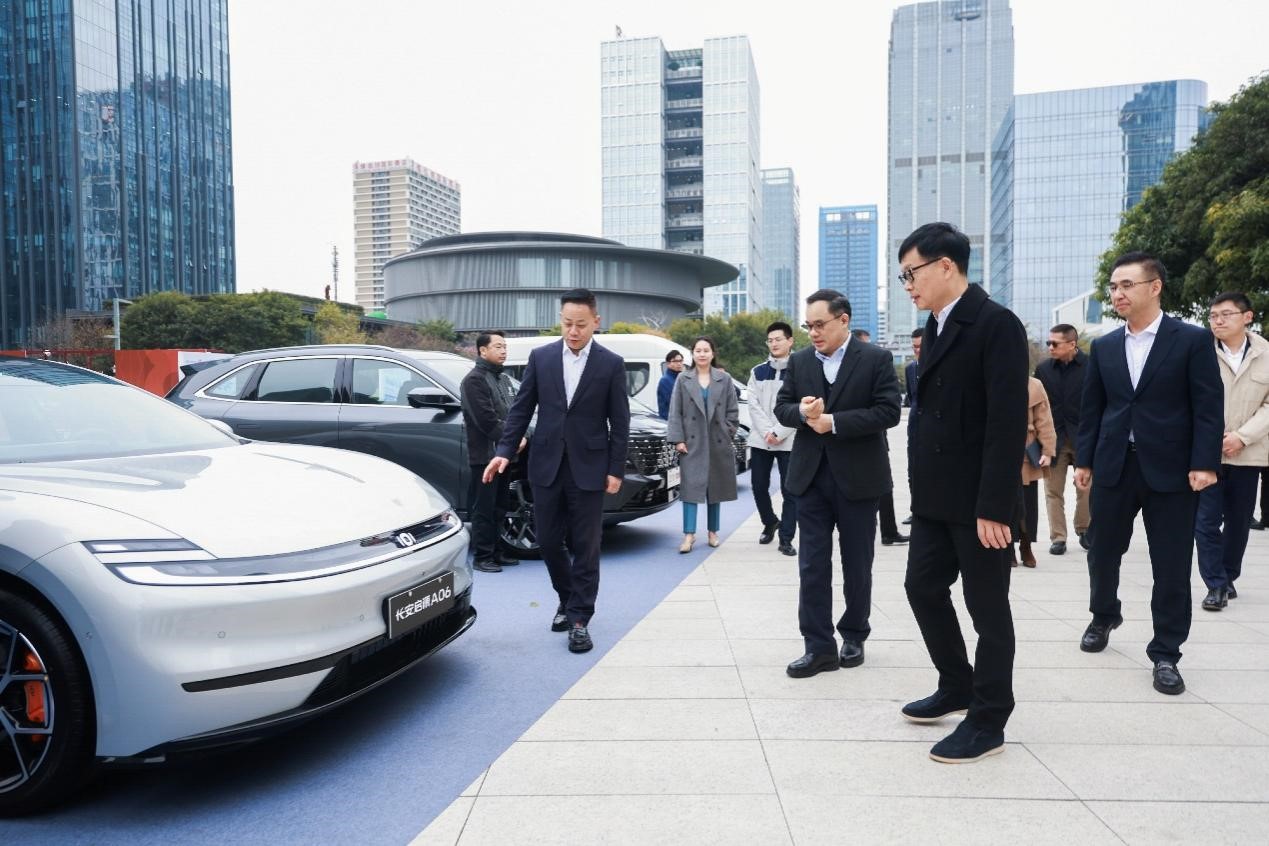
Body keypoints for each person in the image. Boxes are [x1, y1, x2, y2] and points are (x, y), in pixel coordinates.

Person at [898, 222, 1028, 764]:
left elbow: (1006, 421)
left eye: (912, 273)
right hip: (935, 500)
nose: (908, 285)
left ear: (946, 265)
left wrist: (995, 506)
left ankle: (989, 717)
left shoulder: (996, 324)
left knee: (987, 608)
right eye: (904, 277)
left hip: (979, 503)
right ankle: (956, 682)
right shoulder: (936, 324)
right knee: (922, 587)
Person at [1074, 251, 1222, 696]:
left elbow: (1208, 406)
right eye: (1113, 287)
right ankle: (1103, 615)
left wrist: (1204, 463)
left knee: (1171, 564)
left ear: (1154, 287)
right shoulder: (1104, 346)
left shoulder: (1191, 340)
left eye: (1127, 285)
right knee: (1102, 551)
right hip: (1115, 465)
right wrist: (1084, 461)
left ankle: (1166, 653)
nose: (1117, 294)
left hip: (1173, 471)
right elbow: (1092, 409)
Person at [483, 288, 631, 654]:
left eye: (581, 324)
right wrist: (504, 451)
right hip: (546, 465)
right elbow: (521, 409)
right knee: (548, 542)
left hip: (590, 468)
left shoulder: (611, 364)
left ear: (596, 322)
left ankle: (579, 619)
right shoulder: (542, 357)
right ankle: (567, 598)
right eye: (567, 324)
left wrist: (615, 469)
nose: (573, 331)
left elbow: (620, 422)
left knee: (586, 546)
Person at [774, 290, 900, 678]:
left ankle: (854, 634)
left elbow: (889, 411)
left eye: (820, 325)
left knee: (857, 564)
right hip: (810, 478)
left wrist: (836, 422)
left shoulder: (876, 359)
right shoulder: (799, 361)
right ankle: (818, 647)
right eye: (808, 326)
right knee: (812, 565)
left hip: (859, 479)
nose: (813, 332)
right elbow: (782, 407)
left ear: (843, 320)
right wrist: (801, 412)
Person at [1195, 292, 1269, 610]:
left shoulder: (1266, 354)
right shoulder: (1198, 351)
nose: (1218, 321)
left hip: (1248, 453)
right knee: (1206, 522)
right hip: (1206, 453)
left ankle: (1228, 576)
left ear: (1247, 317)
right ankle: (1215, 584)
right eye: (1213, 316)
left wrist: (1242, 436)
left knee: (1239, 522)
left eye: (1226, 314)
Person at [667, 336, 740, 553]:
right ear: (692, 353)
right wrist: (678, 439)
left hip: (718, 441)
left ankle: (713, 532)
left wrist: (727, 431)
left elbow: (733, 411)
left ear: (712, 353)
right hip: (692, 442)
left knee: (715, 488)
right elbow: (675, 411)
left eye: (706, 350)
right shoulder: (683, 378)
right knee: (690, 489)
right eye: (698, 350)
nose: (702, 354)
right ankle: (689, 535)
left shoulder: (724, 378)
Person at [460, 330, 523, 573]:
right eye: (498, 346)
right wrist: (514, 439)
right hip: (485, 457)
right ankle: (483, 556)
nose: (503, 350)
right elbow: (486, 421)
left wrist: (519, 438)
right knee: (483, 509)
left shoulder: (503, 379)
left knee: (500, 506)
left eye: (504, 346)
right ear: (483, 351)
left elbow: (516, 414)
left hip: (505, 456)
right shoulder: (474, 380)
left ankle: (497, 551)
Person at [1035, 324, 1090, 555]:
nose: (1050, 347)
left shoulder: (1092, 367)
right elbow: (1038, 405)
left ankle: (1084, 530)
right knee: (1052, 492)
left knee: (1086, 489)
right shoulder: (1043, 370)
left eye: (1055, 343)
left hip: (1084, 438)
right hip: (1053, 440)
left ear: (1072, 344)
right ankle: (1058, 538)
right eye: (1048, 343)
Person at [747, 321, 798, 556]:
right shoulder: (757, 371)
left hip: (789, 439)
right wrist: (768, 431)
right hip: (761, 439)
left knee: (790, 491)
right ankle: (769, 522)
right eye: (770, 340)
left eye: (778, 339)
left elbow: (799, 406)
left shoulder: (800, 369)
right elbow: (753, 404)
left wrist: (778, 432)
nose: (774, 343)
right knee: (758, 486)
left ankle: (786, 538)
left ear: (790, 341)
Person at [854, 328, 908, 546]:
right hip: (855, 441)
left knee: (885, 487)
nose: (871, 347)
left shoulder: (875, 366)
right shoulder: (853, 372)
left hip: (876, 438)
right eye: (866, 343)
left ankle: (889, 531)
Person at [1011, 378, 1056, 568]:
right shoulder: (991, 378)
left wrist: (1048, 451)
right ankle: (1007, 547)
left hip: (1026, 453)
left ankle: (1026, 543)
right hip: (998, 450)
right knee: (1003, 501)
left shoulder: (1034, 385)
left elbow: (1044, 421)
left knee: (1027, 503)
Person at [903, 328, 923, 526]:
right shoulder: (910, 369)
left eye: (921, 346)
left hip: (935, 427)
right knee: (913, 471)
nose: (917, 350)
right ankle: (915, 510)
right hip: (915, 427)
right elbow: (911, 397)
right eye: (914, 347)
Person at [657, 349, 685, 420]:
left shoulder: (681, 378)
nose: (679, 364)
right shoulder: (665, 380)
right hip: (669, 420)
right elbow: (675, 402)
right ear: (668, 364)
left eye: (680, 361)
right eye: (675, 361)